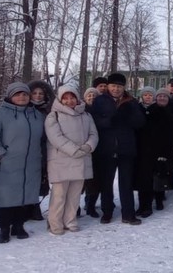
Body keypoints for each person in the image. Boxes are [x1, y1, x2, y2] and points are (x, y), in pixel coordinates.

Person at [0, 82, 45, 243]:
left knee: (24, 195)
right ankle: (4, 228)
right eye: (17, 94)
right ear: (10, 96)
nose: (22, 97)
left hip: (31, 163)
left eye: (24, 94)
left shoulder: (36, 115)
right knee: (6, 197)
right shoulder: (0, 114)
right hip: (7, 162)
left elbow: (44, 138)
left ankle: (19, 225)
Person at [88, 72, 145, 225]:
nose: (116, 89)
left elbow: (140, 122)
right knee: (106, 183)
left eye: (119, 86)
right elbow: (93, 121)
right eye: (113, 86)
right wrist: (109, 121)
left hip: (126, 149)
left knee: (125, 183)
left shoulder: (131, 101)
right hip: (106, 148)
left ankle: (128, 214)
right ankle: (107, 212)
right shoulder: (100, 101)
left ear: (123, 87)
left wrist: (128, 117)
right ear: (108, 86)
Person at [44, 86, 98, 235]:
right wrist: (74, 150)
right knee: (59, 196)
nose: (69, 101)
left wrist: (88, 146)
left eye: (72, 97)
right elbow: (55, 137)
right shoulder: (53, 116)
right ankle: (55, 223)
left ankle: (70, 220)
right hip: (62, 161)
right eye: (65, 98)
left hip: (81, 159)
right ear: (60, 100)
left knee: (74, 195)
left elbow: (93, 133)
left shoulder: (86, 115)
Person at [136, 88, 173, 214]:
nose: (148, 97)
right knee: (141, 181)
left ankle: (148, 206)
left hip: (156, 151)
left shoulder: (160, 110)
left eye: (150, 95)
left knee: (152, 179)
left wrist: (165, 153)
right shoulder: (137, 109)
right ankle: (141, 206)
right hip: (140, 150)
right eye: (145, 95)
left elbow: (167, 135)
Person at [26, 79, 56, 221]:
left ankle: (34, 205)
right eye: (34, 93)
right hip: (28, 148)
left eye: (41, 93)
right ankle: (26, 207)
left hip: (44, 148)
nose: (38, 96)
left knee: (41, 178)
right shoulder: (24, 108)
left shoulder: (49, 110)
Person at [81, 87, 101, 218]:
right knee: (80, 180)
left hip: (99, 149)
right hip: (82, 149)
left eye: (94, 96)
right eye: (89, 95)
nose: (91, 98)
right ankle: (74, 206)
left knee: (96, 179)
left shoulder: (101, 111)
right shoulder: (80, 111)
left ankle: (91, 204)